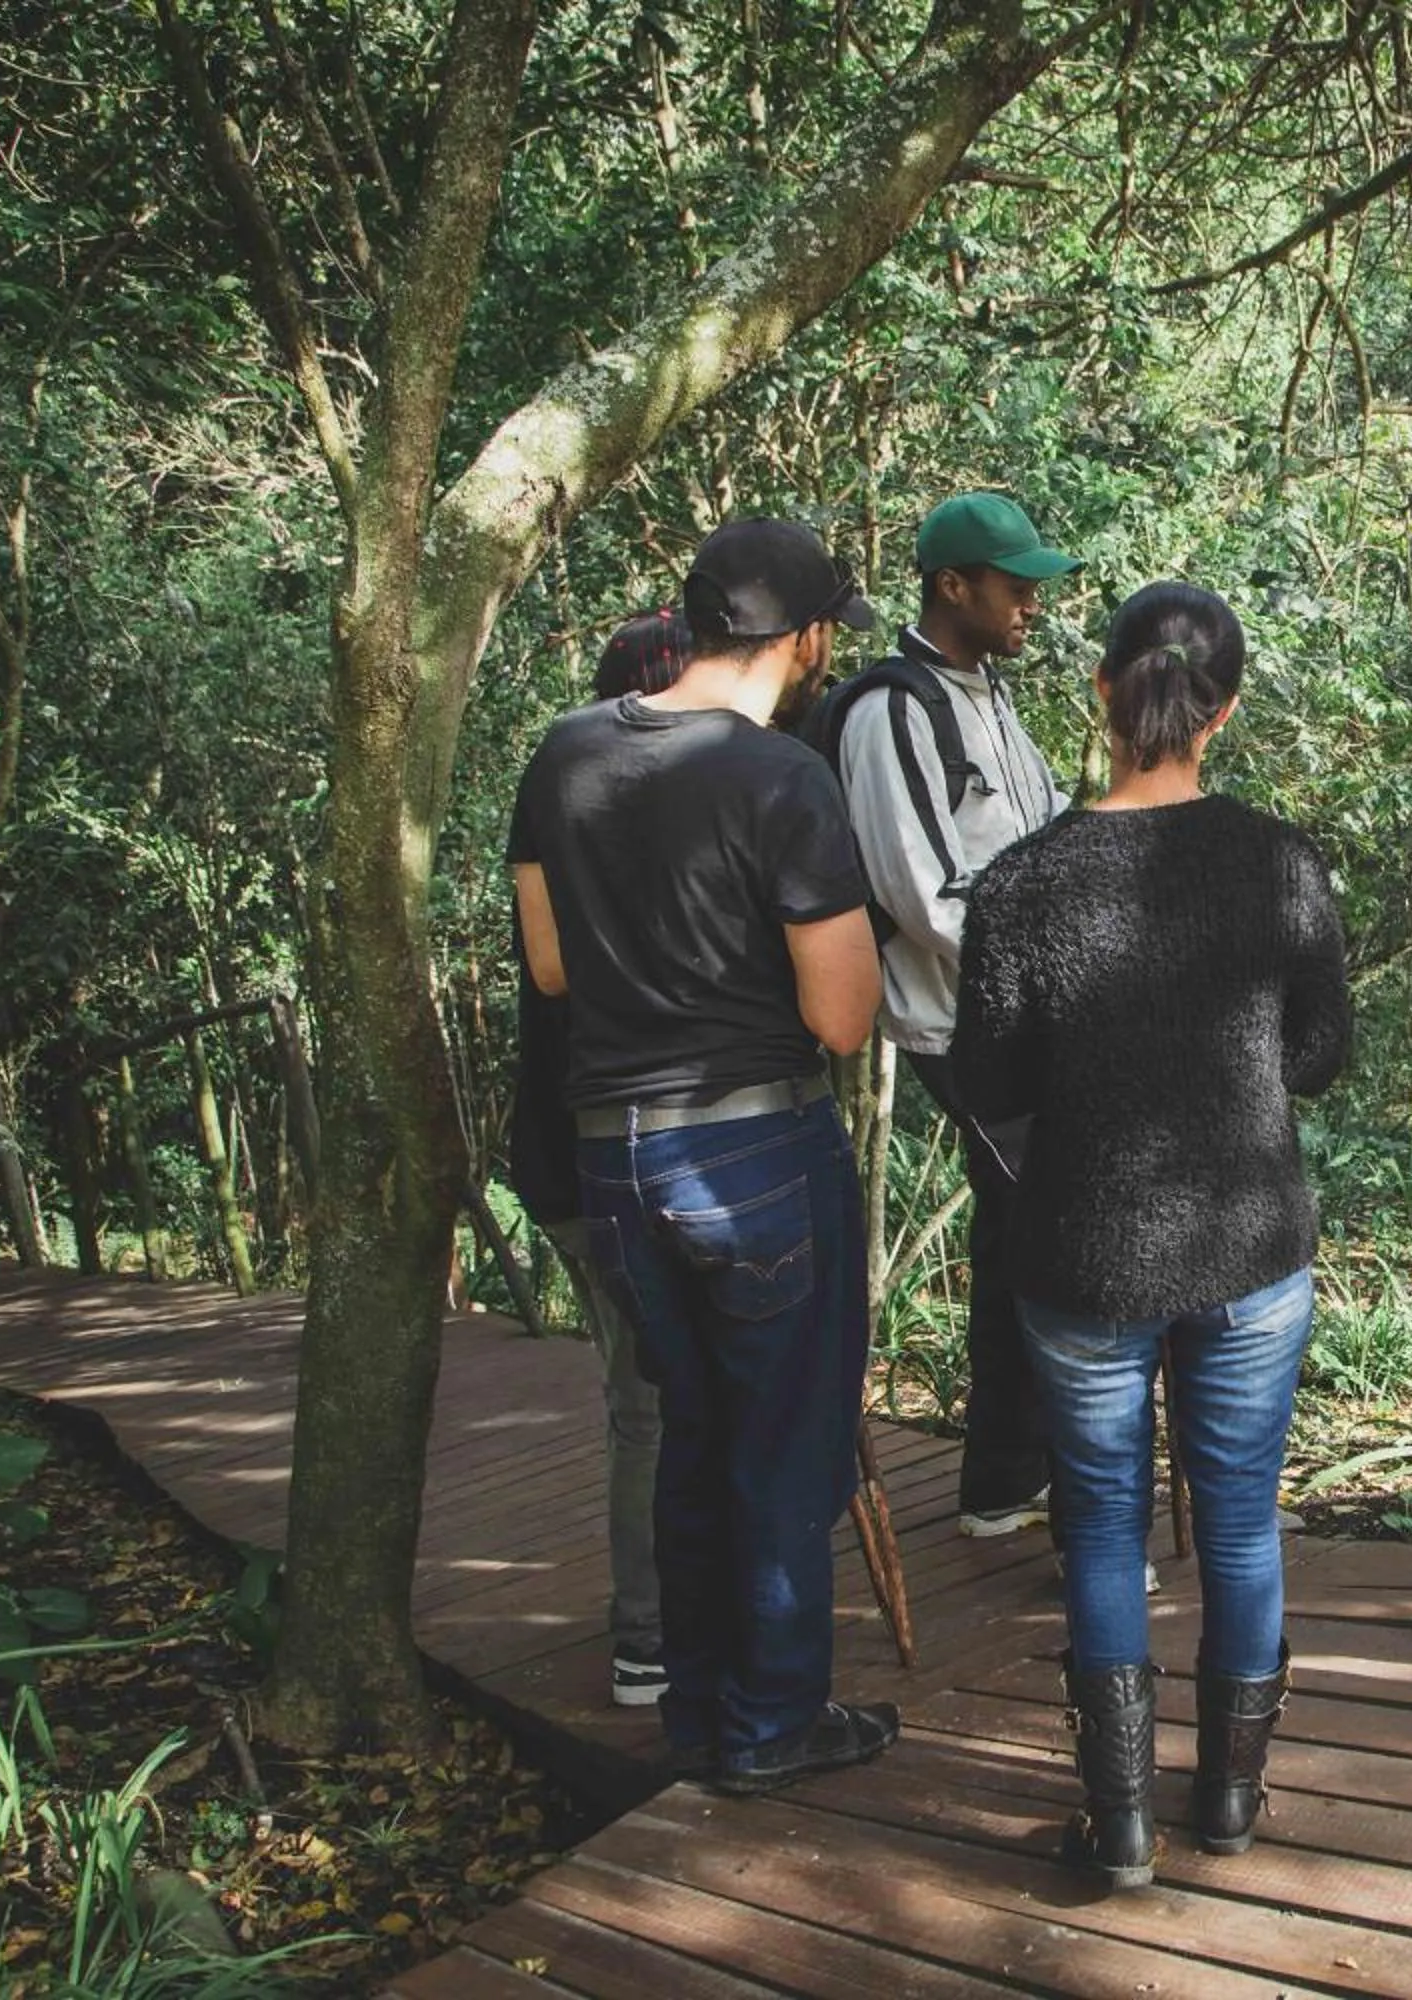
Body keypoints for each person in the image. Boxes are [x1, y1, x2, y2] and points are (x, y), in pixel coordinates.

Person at [950, 581, 1352, 1890]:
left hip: (1080, 1256)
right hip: (1249, 1249)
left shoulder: (1023, 883)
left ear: (1100, 693)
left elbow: (990, 1082)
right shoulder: (1282, 864)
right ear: (1221, 711)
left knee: (1106, 1532)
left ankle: (1119, 1826)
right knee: (1238, 1530)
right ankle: (1228, 1806)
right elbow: (1321, 1056)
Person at [508, 519, 897, 1792]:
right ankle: (773, 1722)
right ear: (808, 638)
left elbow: (554, 965)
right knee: (786, 1444)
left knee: (687, 1430)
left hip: (612, 1155)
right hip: (755, 1148)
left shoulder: (565, 754)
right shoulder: (783, 780)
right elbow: (842, 1017)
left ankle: (697, 1704)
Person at [830, 492, 1080, 1540]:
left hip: (1029, 1011)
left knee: (1025, 1230)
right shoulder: (892, 711)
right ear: (951, 584)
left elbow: (1044, 833)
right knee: (1045, 1226)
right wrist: (1058, 961)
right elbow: (922, 891)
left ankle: (1004, 1478)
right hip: (962, 1024)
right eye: (1015, 584)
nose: (1033, 602)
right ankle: (1027, 1474)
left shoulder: (987, 696)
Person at [503, 608, 687, 1710]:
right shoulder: (590, 812)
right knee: (649, 1399)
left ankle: (671, 1618)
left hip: (579, 1153)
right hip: (598, 1154)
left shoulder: (571, 803)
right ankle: (649, 1636)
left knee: (656, 1393)